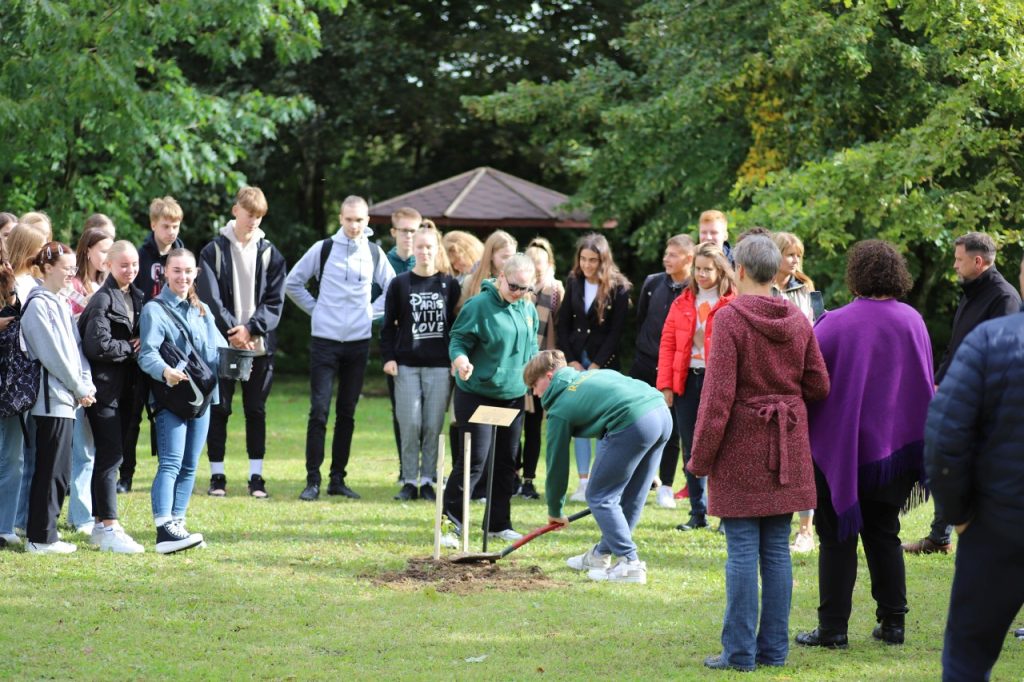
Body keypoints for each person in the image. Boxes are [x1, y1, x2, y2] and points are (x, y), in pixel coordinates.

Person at [687, 236, 829, 671]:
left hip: (742, 446)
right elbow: (819, 385)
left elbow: (716, 399)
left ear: (739, 270)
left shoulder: (729, 320)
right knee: (776, 552)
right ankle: (773, 651)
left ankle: (740, 653)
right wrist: (786, 398)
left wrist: (700, 460)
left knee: (744, 553)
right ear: (776, 273)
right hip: (785, 443)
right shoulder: (798, 318)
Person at [795, 240, 933, 651]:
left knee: (836, 537)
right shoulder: (913, 321)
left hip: (844, 452)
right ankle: (893, 624)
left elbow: (812, 385)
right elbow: (922, 388)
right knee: (884, 532)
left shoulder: (833, 323)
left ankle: (833, 630)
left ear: (856, 274)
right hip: (894, 454)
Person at [924, 250, 1024, 680]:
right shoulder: (991, 338)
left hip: (998, 526)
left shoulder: (992, 341)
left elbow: (945, 440)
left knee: (967, 657)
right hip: (997, 519)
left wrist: (959, 514)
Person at [904, 232, 1021, 556]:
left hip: (982, 403)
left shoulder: (1003, 298)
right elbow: (956, 346)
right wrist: (938, 381)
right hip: (954, 392)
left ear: (978, 261)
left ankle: (965, 534)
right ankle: (940, 536)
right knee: (946, 458)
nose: (954, 265)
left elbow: (1001, 358)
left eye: (958, 259)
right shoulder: (972, 292)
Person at [527, 350, 671, 584]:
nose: (534, 392)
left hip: (634, 420)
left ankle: (630, 563)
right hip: (661, 414)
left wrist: (555, 510)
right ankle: (600, 555)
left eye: (534, 384)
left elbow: (556, 464)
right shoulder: (590, 376)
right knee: (633, 494)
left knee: (599, 495)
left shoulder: (560, 407)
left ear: (550, 376)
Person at [286, 195, 395, 501]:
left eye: (359, 220)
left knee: (347, 412)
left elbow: (393, 288)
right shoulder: (323, 248)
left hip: (358, 344)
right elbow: (292, 284)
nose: (353, 225)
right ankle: (312, 480)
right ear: (340, 218)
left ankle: (338, 479)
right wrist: (318, 310)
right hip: (324, 342)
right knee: (319, 411)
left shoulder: (374, 252)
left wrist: (369, 313)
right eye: (348, 219)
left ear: (367, 221)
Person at [441, 254, 539, 546]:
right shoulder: (478, 306)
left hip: (512, 397)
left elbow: (532, 345)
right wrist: (461, 361)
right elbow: (457, 340)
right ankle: (450, 524)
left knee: (507, 462)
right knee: (474, 461)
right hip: (477, 394)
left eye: (525, 288)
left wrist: (536, 377)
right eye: (514, 286)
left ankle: (498, 523)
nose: (519, 293)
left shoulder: (527, 308)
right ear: (499, 279)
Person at [197, 186, 287, 499]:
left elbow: (276, 300)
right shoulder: (214, 251)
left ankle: (256, 477)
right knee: (220, 409)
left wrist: (252, 329)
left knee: (256, 410)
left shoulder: (270, 253)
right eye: (250, 215)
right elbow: (209, 296)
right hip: (223, 345)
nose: (254, 222)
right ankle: (217, 475)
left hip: (259, 347)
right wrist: (234, 330)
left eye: (260, 217)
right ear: (236, 210)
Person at [138, 248, 226, 553]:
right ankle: (164, 529)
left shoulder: (202, 310)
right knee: (171, 463)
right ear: (165, 271)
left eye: (188, 271)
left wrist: (237, 361)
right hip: (171, 397)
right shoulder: (155, 310)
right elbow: (146, 353)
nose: (183, 277)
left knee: (190, 465)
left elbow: (219, 349)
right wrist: (165, 371)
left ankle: (178, 523)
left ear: (196, 274)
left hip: (203, 398)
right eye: (177, 270)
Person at [20, 242, 97, 553]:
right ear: (48, 268)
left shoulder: (60, 304)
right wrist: (78, 387)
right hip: (50, 400)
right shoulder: (38, 305)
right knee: (51, 468)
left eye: (73, 268)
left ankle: (46, 533)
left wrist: (85, 383)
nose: (71, 273)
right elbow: (52, 355)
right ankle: (40, 537)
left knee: (60, 469)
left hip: (66, 398)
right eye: (66, 267)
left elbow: (77, 351)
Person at [657, 242, 736, 530]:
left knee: (723, 447)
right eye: (698, 269)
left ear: (720, 270)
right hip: (688, 380)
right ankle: (697, 512)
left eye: (707, 269)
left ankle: (727, 515)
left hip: (720, 382)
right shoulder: (682, 301)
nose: (701, 274)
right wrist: (665, 384)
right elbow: (667, 344)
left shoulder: (731, 302)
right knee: (691, 448)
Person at [381, 224, 459, 501]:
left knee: (432, 424)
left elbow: (456, 326)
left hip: (440, 365)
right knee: (410, 423)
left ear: (437, 250)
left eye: (429, 247)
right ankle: (409, 479)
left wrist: (454, 357)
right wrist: (389, 357)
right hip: (406, 365)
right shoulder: (400, 283)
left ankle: (428, 479)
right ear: (412, 250)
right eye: (420, 247)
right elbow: (388, 325)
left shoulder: (450, 284)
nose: (424, 252)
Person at [78, 241, 146, 553]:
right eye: (123, 265)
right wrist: (129, 349)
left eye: (134, 265)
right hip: (104, 391)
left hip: (127, 391)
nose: (130, 270)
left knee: (113, 454)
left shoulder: (137, 296)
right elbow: (96, 346)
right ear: (108, 265)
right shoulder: (102, 300)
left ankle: (100, 524)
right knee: (110, 455)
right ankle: (108, 525)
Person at [556, 233, 631, 502]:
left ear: (603, 259)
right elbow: (562, 324)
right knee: (578, 420)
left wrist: (597, 365)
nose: (587, 265)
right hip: (577, 358)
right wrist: (573, 360)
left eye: (593, 260)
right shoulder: (573, 282)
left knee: (602, 424)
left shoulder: (619, 287)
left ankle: (601, 480)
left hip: (604, 362)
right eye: (583, 259)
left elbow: (616, 332)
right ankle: (583, 481)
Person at [120, 196, 186, 494]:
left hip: (173, 349)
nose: (171, 231)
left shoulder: (182, 257)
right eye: (165, 226)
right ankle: (126, 474)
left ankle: (169, 473)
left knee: (167, 412)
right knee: (132, 414)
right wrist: (136, 333)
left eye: (175, 226)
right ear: (153, 225)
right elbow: (132, 296)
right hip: (142, 346)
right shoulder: (141, 256)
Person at [632, 234, 694, 509]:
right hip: (646, 363)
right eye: (666, 253)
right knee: (637, 422)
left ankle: (666, 485)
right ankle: (640, 480)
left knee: (672, 428)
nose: (666, 259)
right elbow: (642, 320)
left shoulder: (695, 289)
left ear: (688, 258)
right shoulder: (652, 283)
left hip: (676, 368)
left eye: (673, 254)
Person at [770, 231, 819, 553]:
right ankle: (775, 519)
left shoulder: (808, 290)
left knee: (804, 456)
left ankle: (805, 529)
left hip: (801, 378)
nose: (795, 260)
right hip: (773, 379)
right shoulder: (763, 289)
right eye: (789, 254)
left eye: (798, 254)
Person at [65, 227, 114, 534]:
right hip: (76, 372)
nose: (107, 258)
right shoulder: (71, 285)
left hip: (102, 375)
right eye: (103, 251)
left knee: (95, 447)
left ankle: (88, 512)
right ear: (87, 251)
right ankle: (80, 515)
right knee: (81, 448)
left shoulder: (108, 285)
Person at [517, 237, 565, 500]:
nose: (535, 268)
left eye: (540, 263)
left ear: (549, 264)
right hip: (516, 366)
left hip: (542, 368)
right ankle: (513, 473)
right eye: (531, 263)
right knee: (513, 424)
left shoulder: (555, 291)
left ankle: (528, 479)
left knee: (534, 427)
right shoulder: (516, 289)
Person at [7, 224, 47, 535]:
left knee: (25, 455)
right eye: (40, 245)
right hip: (14, 380)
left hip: (27, 378)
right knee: (13, 456)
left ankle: (18, 519)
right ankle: (8, 522)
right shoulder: (17, 285)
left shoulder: (33, 282)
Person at [382, 206, 421, 478]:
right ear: (394, 232)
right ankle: (405, 467)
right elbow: (370, 302)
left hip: (428, 347)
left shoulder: (428, 262)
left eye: (414, 231)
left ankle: (428, 468)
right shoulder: (382, 263)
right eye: (404, 231)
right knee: (402, 411)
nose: (409, 236)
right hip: (397, 346)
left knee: (429, 413)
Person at [0, 242, 24, 548]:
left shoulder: (7, 279)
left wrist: (11, 290)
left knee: (11, 456)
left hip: (7, 380)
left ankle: (6, 524)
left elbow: (15, 317)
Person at [457, 230, 515, 311]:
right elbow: (462, 313)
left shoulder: (517, 282)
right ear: (491, 255)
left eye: (512, 257)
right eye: (505, 257)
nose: (510, 262)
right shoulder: (471, 281)